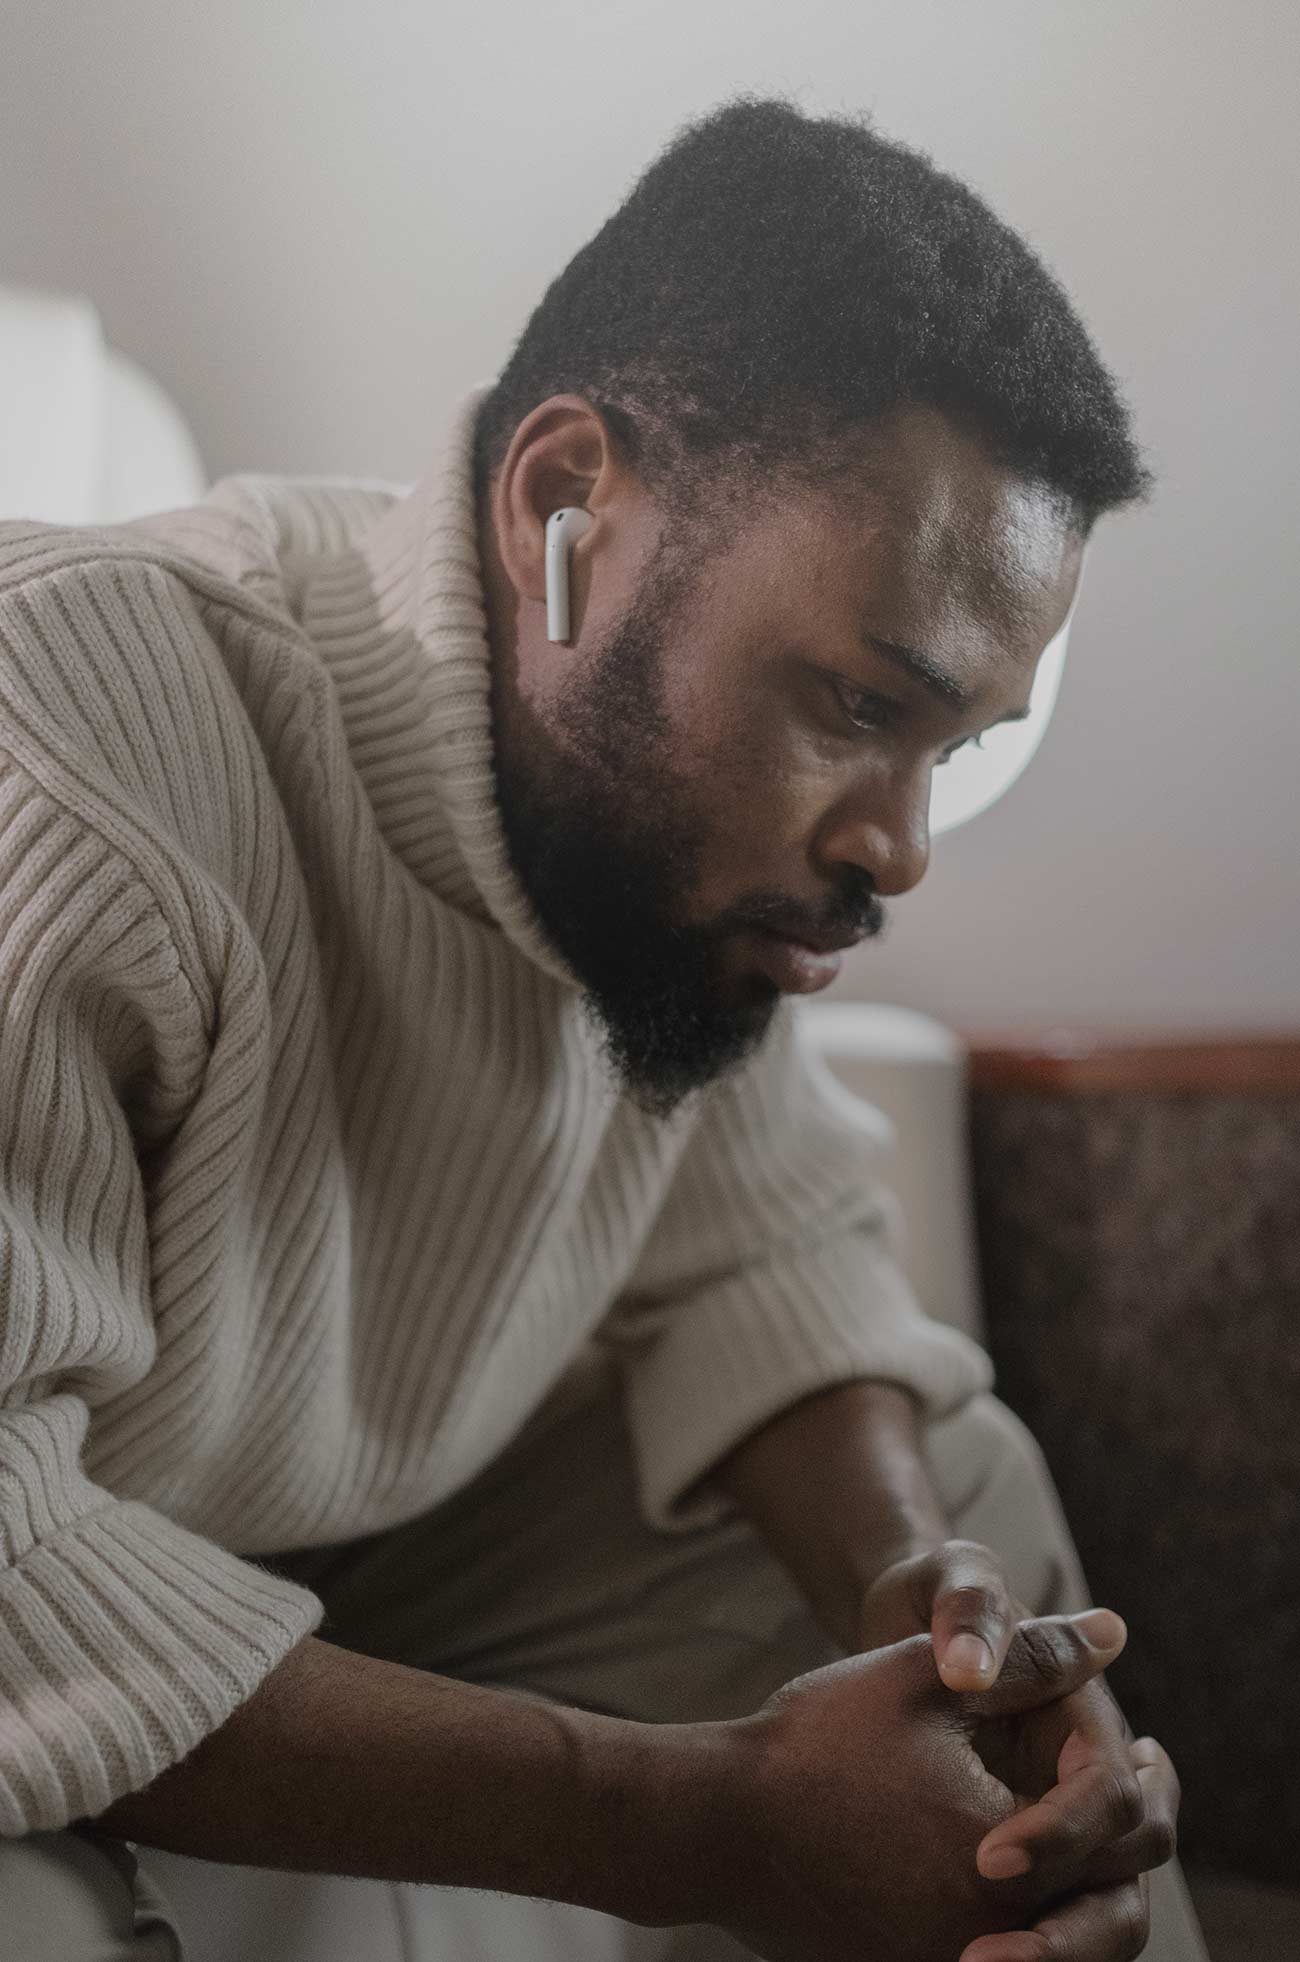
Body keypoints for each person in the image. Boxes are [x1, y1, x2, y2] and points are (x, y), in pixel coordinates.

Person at [0, 93, 1209, 1960]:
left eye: (952, 748)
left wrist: (912, 1592)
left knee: (962, 1494)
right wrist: (694, 1821)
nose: (897, 847)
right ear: (565, 504)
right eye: (856, 702)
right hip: (62, 1572)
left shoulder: (657, 856)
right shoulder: (73, 745)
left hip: (323, 1550)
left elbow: (769, 1248)